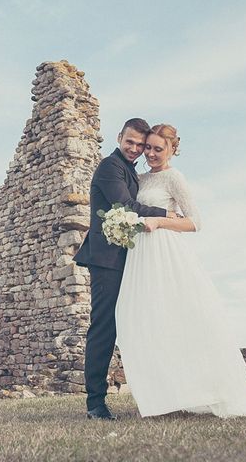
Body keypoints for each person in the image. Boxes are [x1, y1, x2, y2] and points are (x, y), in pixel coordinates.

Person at [115, 124, 246, 419]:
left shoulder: (174, 177)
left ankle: (210, 390)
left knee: (181, 317)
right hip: (140, 255)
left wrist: (160, 222)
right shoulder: (138, 179)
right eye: (148, 147)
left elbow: (195, 222)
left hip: (165, 252)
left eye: (157, 149)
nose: (150, 153)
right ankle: (165, 394)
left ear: (172, 150)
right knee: (147, 319)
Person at [73, 118, 178, 420]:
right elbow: (127, 207)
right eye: (129, 142)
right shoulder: (110, 167)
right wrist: (166, 213)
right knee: (104, 328)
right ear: (119, 137)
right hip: (107, 262)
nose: (134, 149)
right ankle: (95, 404)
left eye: (139, 145)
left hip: (130, 261)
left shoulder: (130, 170)